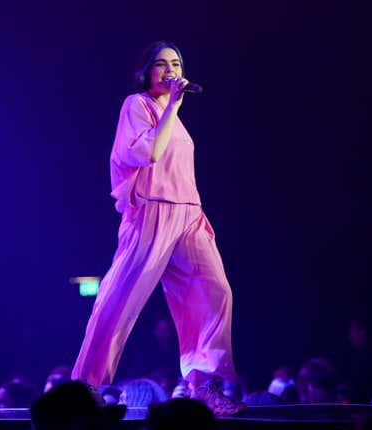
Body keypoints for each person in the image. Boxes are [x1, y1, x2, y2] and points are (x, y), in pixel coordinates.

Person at [71, 41, 244, 416]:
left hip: (189, 214)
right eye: (161, 64)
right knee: (120, 299)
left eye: (176, 63)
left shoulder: (174, 117)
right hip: (151, 213)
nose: (170, 70)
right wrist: (173, 108)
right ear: (146, 72)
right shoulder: (137, 106)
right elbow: (148, 154)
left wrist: (173, 110)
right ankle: (86, 385)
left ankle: (204, 385)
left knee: (214, 293)